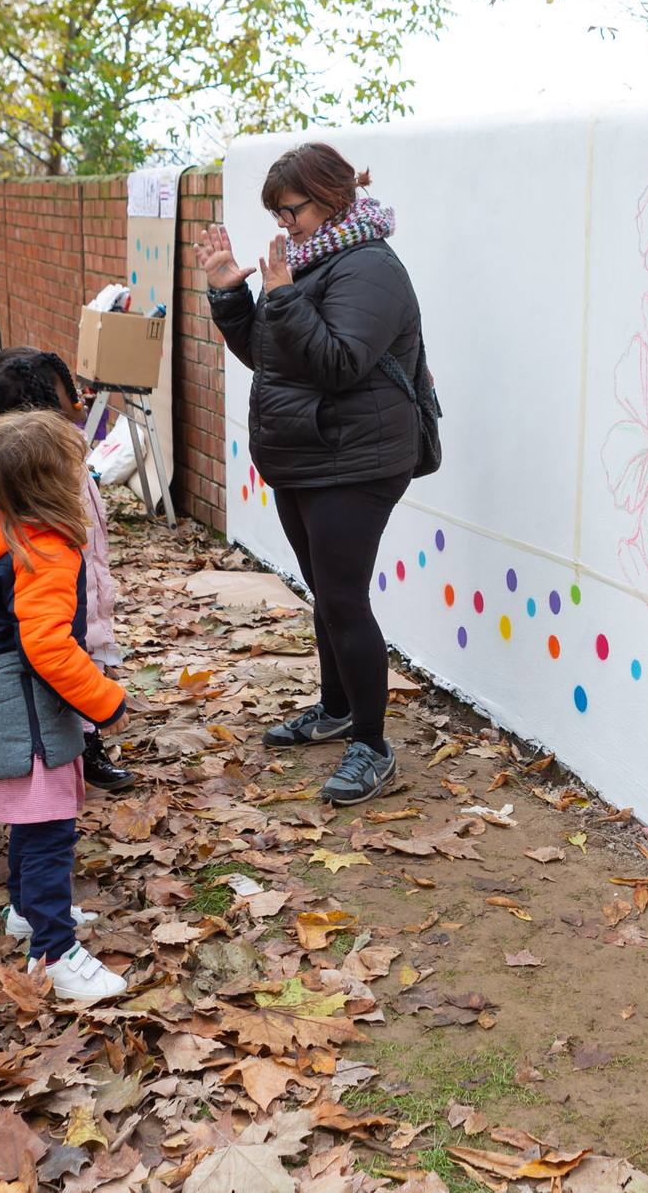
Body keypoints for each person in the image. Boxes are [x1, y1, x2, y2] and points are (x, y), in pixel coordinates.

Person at [197, 142, 425, 807]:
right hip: (304, 452)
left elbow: (339, 363)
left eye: (289, 209)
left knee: (345, 598)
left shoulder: (370, 268)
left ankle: (373, 748)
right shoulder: (307, 260)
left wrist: (283, 297)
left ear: (331, 199)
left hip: (357, 459)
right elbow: (274, 358)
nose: (282, 224)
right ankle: (335, 709)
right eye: (276, 212)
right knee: (324, 591)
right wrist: (230, 294)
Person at [0, 412, 130, 1001]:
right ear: (50, 484)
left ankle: (26, 911)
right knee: (50, 828)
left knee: (32, 820)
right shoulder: (41, 547)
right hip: (23, 710)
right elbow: (47, 643)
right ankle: (55, 951)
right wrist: (106, 702)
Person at [0, 347, 136, 792]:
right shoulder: (45, 464)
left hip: (86, 574)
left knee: (86, 657)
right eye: (67, 390)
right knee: (72, 661)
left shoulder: (62, 449)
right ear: (45, 402)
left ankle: (85, 746)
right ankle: (85, 752)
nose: (78, 396)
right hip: (65, 581)